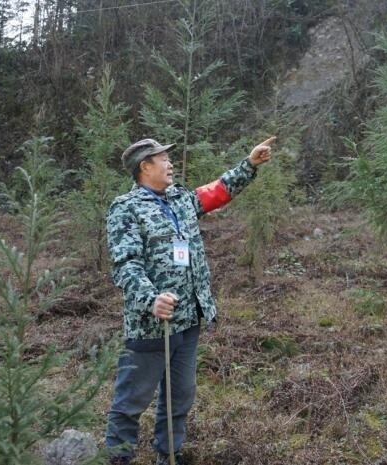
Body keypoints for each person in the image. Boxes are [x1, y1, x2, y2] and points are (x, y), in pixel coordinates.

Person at [105, 136, 276, 465]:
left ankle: (169, 454)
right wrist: (151, 299)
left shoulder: (180, 198)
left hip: (187, 320)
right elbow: (126, 265)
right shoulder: (126, 208)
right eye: (163, 159)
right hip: (151, 325)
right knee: (131, 401)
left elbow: (218, 191)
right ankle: (118, 458)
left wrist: (250, 164)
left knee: (180, 396)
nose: (170, 164)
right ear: (145, 167)